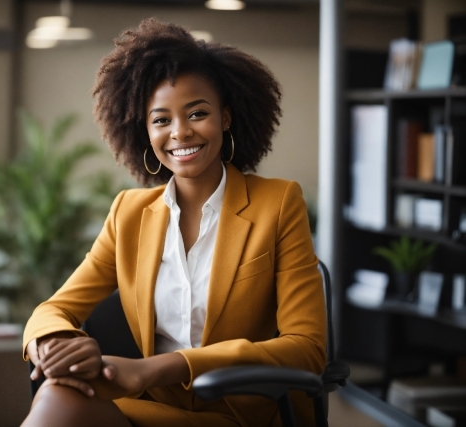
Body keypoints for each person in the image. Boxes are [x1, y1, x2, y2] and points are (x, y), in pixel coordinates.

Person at [21, 18, 326, 427]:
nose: (180, 132)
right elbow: (54, 309)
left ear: (226, 118)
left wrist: (160, 367)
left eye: (197, 113)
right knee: (58, 390)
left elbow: (307, 348)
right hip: (150, 405)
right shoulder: (129, 213)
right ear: (145, 132)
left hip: (237, 412)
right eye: (161, 120)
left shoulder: (278, 203)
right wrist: (55, 343)